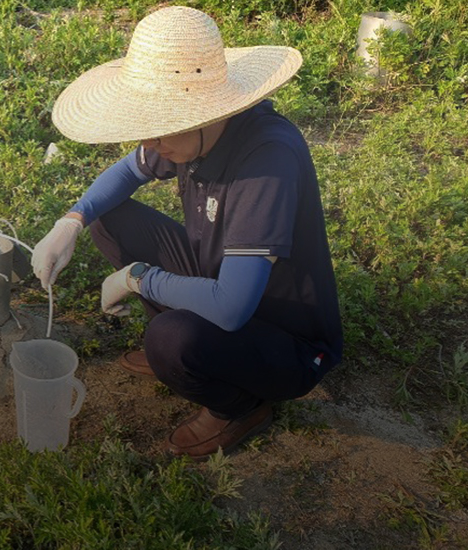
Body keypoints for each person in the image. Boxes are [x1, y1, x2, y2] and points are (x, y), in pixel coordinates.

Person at [31, 6, 343, 460]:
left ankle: (239, 407)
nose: (149, 144)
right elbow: (125, 173)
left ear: (206, 113)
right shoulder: (183, 135)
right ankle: (190, 351)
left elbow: (233, 308)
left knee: (171, 339)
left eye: (157, 130)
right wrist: (71, 221)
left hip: (284, 335)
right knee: (108, 215)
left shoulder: (266, 161)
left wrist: (137, 276)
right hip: (219, 273)